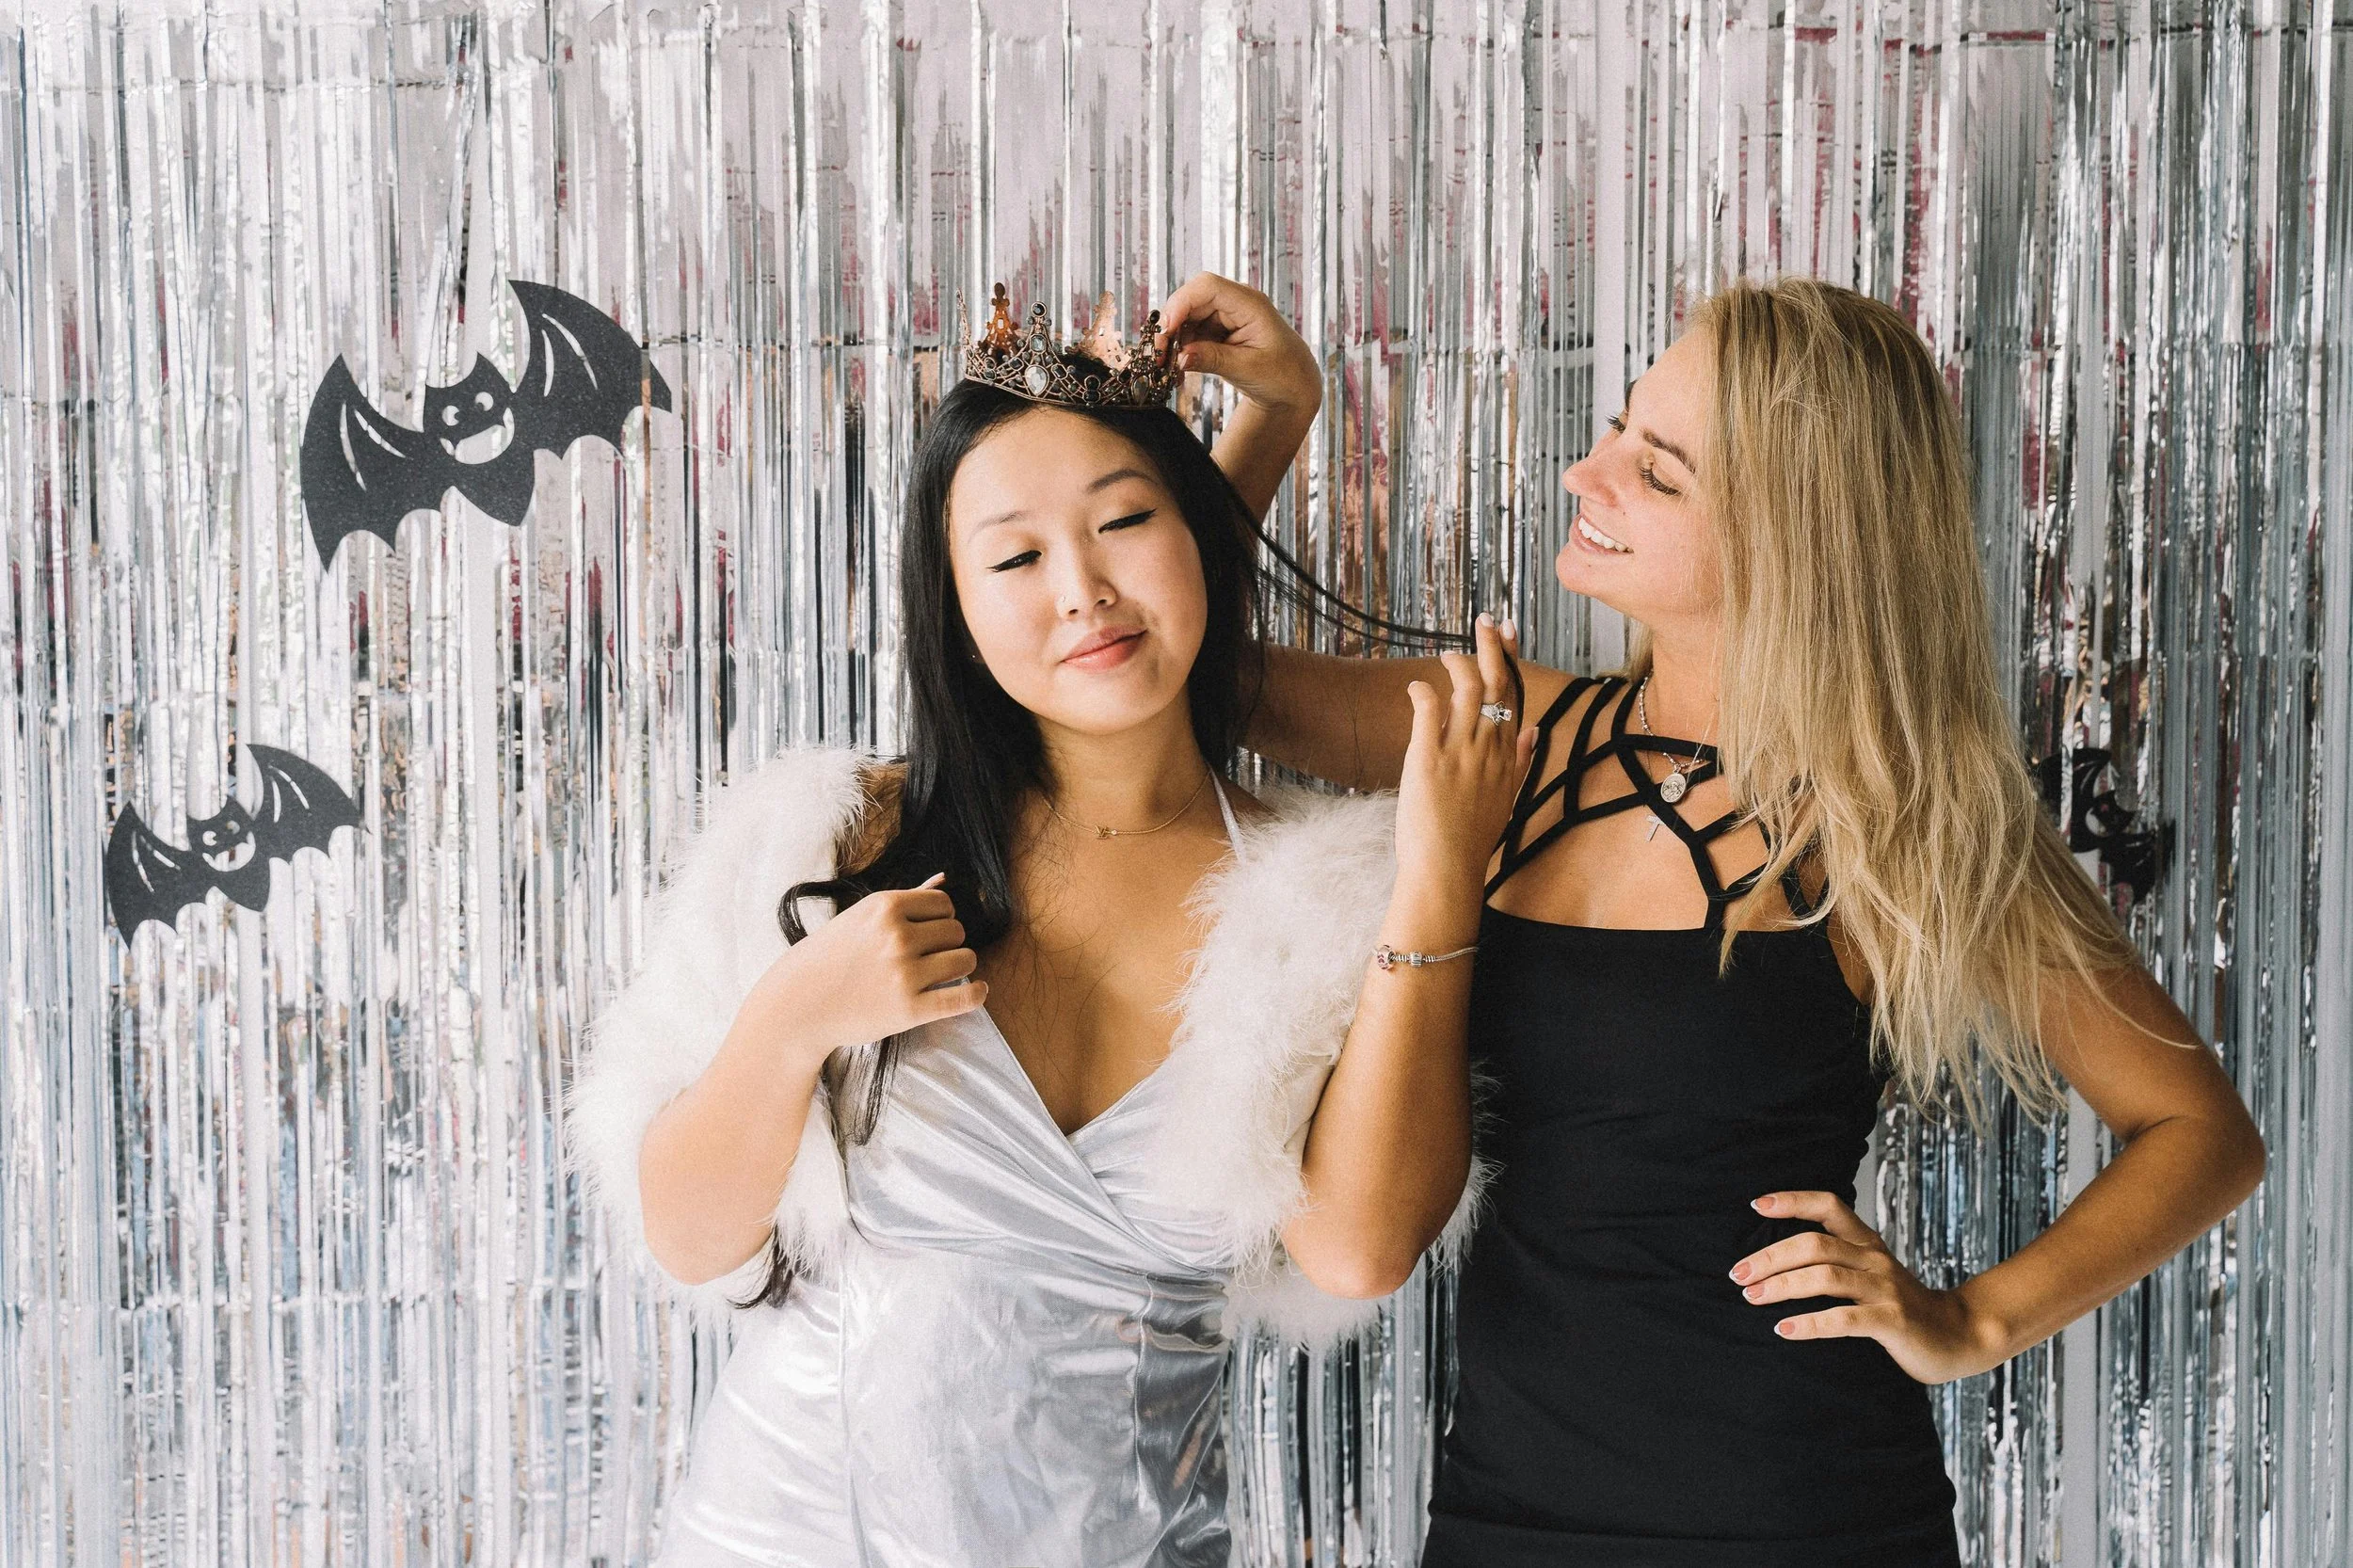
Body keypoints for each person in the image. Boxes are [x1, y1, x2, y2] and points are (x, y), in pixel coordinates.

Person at [1160, 271, 2268, 1566]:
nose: (1588, 473)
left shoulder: (1902, 820)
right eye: (1623, 426)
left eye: (1658, 470)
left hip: (1806, 1514)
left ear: (1800, 537)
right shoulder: (1508, 735)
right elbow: (1181, 673)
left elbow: (2202, 1130)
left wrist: (1972, 1321)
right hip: (1507, 1506)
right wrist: (1278, 416)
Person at [566, 285, 1532, 1568]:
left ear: (1194, 534)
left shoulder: (1315, 906)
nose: (1082, 591)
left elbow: (1357, 1248)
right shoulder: (846, 842)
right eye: (1014, 559)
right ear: (956, 610)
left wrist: (1439, 875)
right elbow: (690, 1236)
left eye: (1130, 524)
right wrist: (795, 1014)